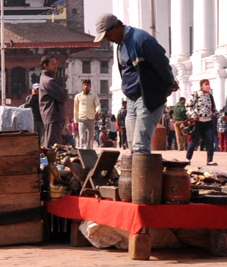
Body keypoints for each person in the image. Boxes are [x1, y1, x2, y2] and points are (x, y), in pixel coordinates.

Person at [90, 14, 173, 153]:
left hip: (146, 97)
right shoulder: (120, 45)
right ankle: (136, 174)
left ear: (117, 27)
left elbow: (162, 62)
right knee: (132, 145)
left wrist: (169, 83)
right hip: (131, 100)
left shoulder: (141, 39)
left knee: (140, 146)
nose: (108, 39)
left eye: (108, 35)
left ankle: (144, 175)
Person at [35, 56, 69, 148]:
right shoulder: (48, 81)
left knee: (51, 144)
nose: (56, 66)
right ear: (45, 65)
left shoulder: (46, 79)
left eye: (56, 64)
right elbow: (63, 96)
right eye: (53, 64)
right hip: (52, 116)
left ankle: (46, 161)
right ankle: (46, 162)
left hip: (53, 116)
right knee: (52, 146)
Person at [183, 80, 217, 166]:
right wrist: (193, 114)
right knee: (194, 141)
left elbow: (213, 108)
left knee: (210, 141)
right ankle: (188, 159)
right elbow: (188, 106)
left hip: (208, 121)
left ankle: (210, 160)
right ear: (201, 86)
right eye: (206, 84)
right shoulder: (196, 94)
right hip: (198, 121)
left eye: (208, 84)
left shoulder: (210, 96)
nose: (207, 86)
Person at [73, 79, 98, 151]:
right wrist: (75, 121)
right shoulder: (78, 96)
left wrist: (97, 111)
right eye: (85, 85)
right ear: (82, 86)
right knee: (82, 137)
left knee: (90, 137)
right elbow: (75, 109)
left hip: (91, 118)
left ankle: (90, 151)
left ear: (90, 86)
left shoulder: (94, 96)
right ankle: (83, 152)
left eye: (88, 85)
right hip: (81, 119)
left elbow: (98, 105)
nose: (86, 87)